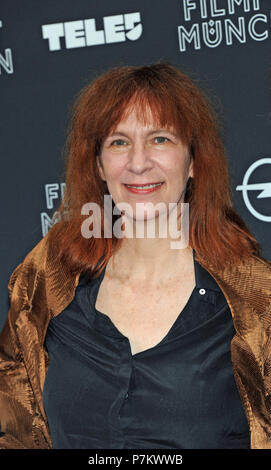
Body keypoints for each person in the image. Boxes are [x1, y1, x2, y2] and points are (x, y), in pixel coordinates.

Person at [0, 61, 271, 450]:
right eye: (118, 142)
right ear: (98, 164)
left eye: (160, 139)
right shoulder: (49, 273)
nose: (139, 162)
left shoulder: (257, 297)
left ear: (193, 160)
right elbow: (14, 424)